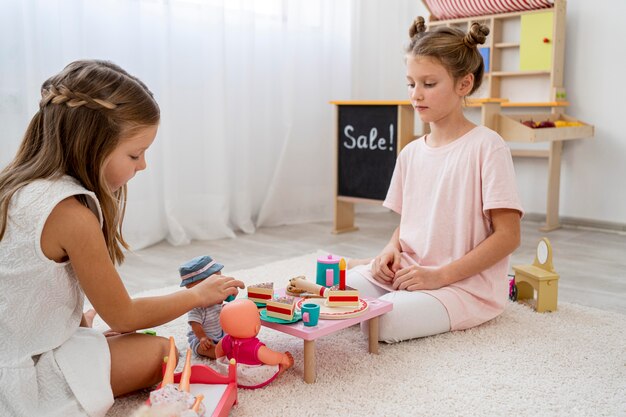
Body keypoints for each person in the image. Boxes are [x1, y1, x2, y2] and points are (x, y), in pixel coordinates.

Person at [0, 60, 245, 417]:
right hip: (23, 379)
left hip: (17, 348)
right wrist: (195, 295)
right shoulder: (71, 214)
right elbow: (124, 317)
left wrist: (72, 326)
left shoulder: (15, 187)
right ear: (92, 145)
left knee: (105, 341)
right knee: (163, 352)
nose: (142, 165)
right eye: (135, 153)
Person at [347, 17, 523, 343]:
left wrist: (440, 276)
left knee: (379, 323)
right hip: (411, 270)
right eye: (411, 84)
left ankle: (398, 301)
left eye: (429, 84)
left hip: (463, 285)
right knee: (338, 292)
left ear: (463, 85)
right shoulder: (411, 153)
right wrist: (390, 248)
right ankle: (378, 280)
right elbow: (414, 220)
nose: (417, 95)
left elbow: (508, 236)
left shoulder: (487, 146)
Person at [215, 299, 293, 389]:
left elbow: (218, 351)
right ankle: (281, 369)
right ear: (256, 328)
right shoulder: (256, 347)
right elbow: (271, 357)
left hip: (231, 373)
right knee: (272, 366)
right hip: (249, 377)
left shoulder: (225, 340)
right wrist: (282, 357)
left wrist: (221, 360)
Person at [180, 255, 231, 359]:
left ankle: (226, 346)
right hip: (201, 338)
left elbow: (226, 303)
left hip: (220, 333)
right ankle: (218, 351)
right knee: (208, 349)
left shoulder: (216, 296)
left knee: (234, 338)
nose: (220, 282)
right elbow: (195, 324)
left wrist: (230, 296)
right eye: (216, 281)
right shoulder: (196, 306)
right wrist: (202, 337)